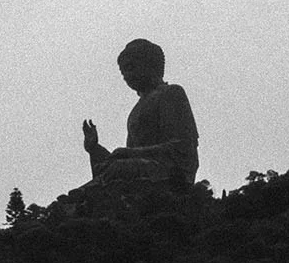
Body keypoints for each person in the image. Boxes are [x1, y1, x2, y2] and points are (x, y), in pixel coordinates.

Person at [80, 37, 200, 187]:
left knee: (119, 170)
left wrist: (132, 153)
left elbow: (183, 148)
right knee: (109, 168)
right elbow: (127, 155)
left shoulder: (171, 93)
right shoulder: (136, 111)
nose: (127, 77)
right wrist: (94, 148)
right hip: (140, 167)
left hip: (168, 172)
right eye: (123, 73)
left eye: (131, 68)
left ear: (150, 65)